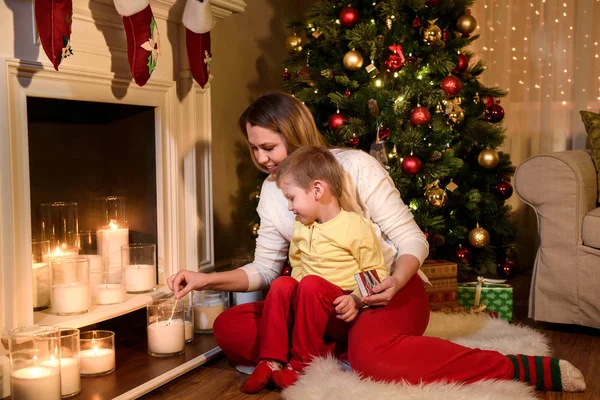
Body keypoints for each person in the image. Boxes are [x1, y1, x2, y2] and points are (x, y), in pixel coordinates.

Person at [167, 91, 586, 393]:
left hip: (387, 293)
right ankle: (336, 353)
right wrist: (204, 280)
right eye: (253, 149)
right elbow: (265, 270)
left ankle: (517, 367)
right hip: (323, 302)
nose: (261, 159)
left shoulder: (356, 167)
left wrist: (394, 282)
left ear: (293, 134)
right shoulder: (273, 192)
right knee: (229, 328)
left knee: (374, 359)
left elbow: (410, 240)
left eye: (268, 147)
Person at [241, 145, 388, 393]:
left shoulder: (355, 226)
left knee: (310, 284)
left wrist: (355, 299)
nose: (289, 207)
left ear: (317, 189)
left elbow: (375, 272)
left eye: (291, 198)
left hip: (340, 311)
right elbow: (296, 264)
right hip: (307, 309)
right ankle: (272, 360)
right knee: (282, 283)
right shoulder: (301, 226)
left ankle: (303, 365)